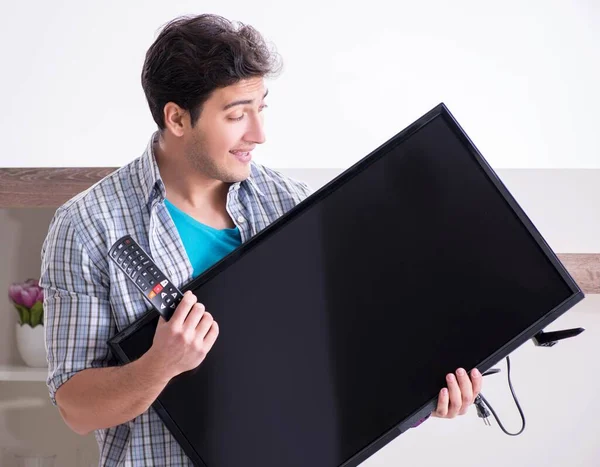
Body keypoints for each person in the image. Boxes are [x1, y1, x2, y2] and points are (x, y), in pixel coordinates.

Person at [39, 13, 483, 466]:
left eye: (261, 108)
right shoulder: (88, 226)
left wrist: (422, 399)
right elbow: (76, 407)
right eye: (236, 115)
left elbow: (344, 357)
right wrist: (161, 364)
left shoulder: (291, 204)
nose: (259, 134)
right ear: (176, 117)